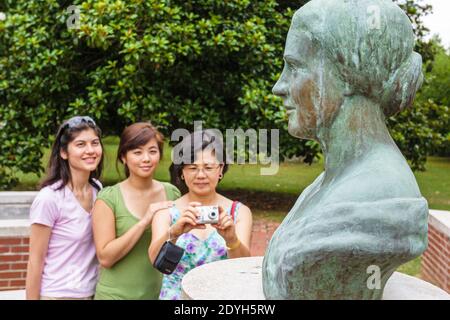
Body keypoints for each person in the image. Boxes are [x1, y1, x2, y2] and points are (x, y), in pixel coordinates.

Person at [263, 0, 428, 299]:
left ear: (349, 75)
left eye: (295, 67)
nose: (279, 85)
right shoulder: (331, 183)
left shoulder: (380, 197)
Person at [149, 130, 253, 300]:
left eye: (209, 167)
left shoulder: (239, 212)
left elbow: (243, 269)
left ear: (220, 169)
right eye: (192, 168)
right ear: (182, 172)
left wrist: (232, 239)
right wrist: (173, 234)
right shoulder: (167, 213)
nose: (201, 175)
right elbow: (155, 261)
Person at [92, 122, 180, 299]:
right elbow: (105, 258)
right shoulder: (108, 198)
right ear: (124, 156)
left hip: (158, 295)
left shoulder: (171, 193)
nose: (146, 158)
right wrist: (144, 221)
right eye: (137, 152)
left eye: (152, 151)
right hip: (114, 296)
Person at [26, 116, 104, 300]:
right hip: (57, 295)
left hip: (92, 293)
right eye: (80, 144)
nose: (90, 150)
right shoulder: (49, 198)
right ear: (63, 152)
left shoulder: (98, 190)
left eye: (95, 143)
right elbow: (35, 261)